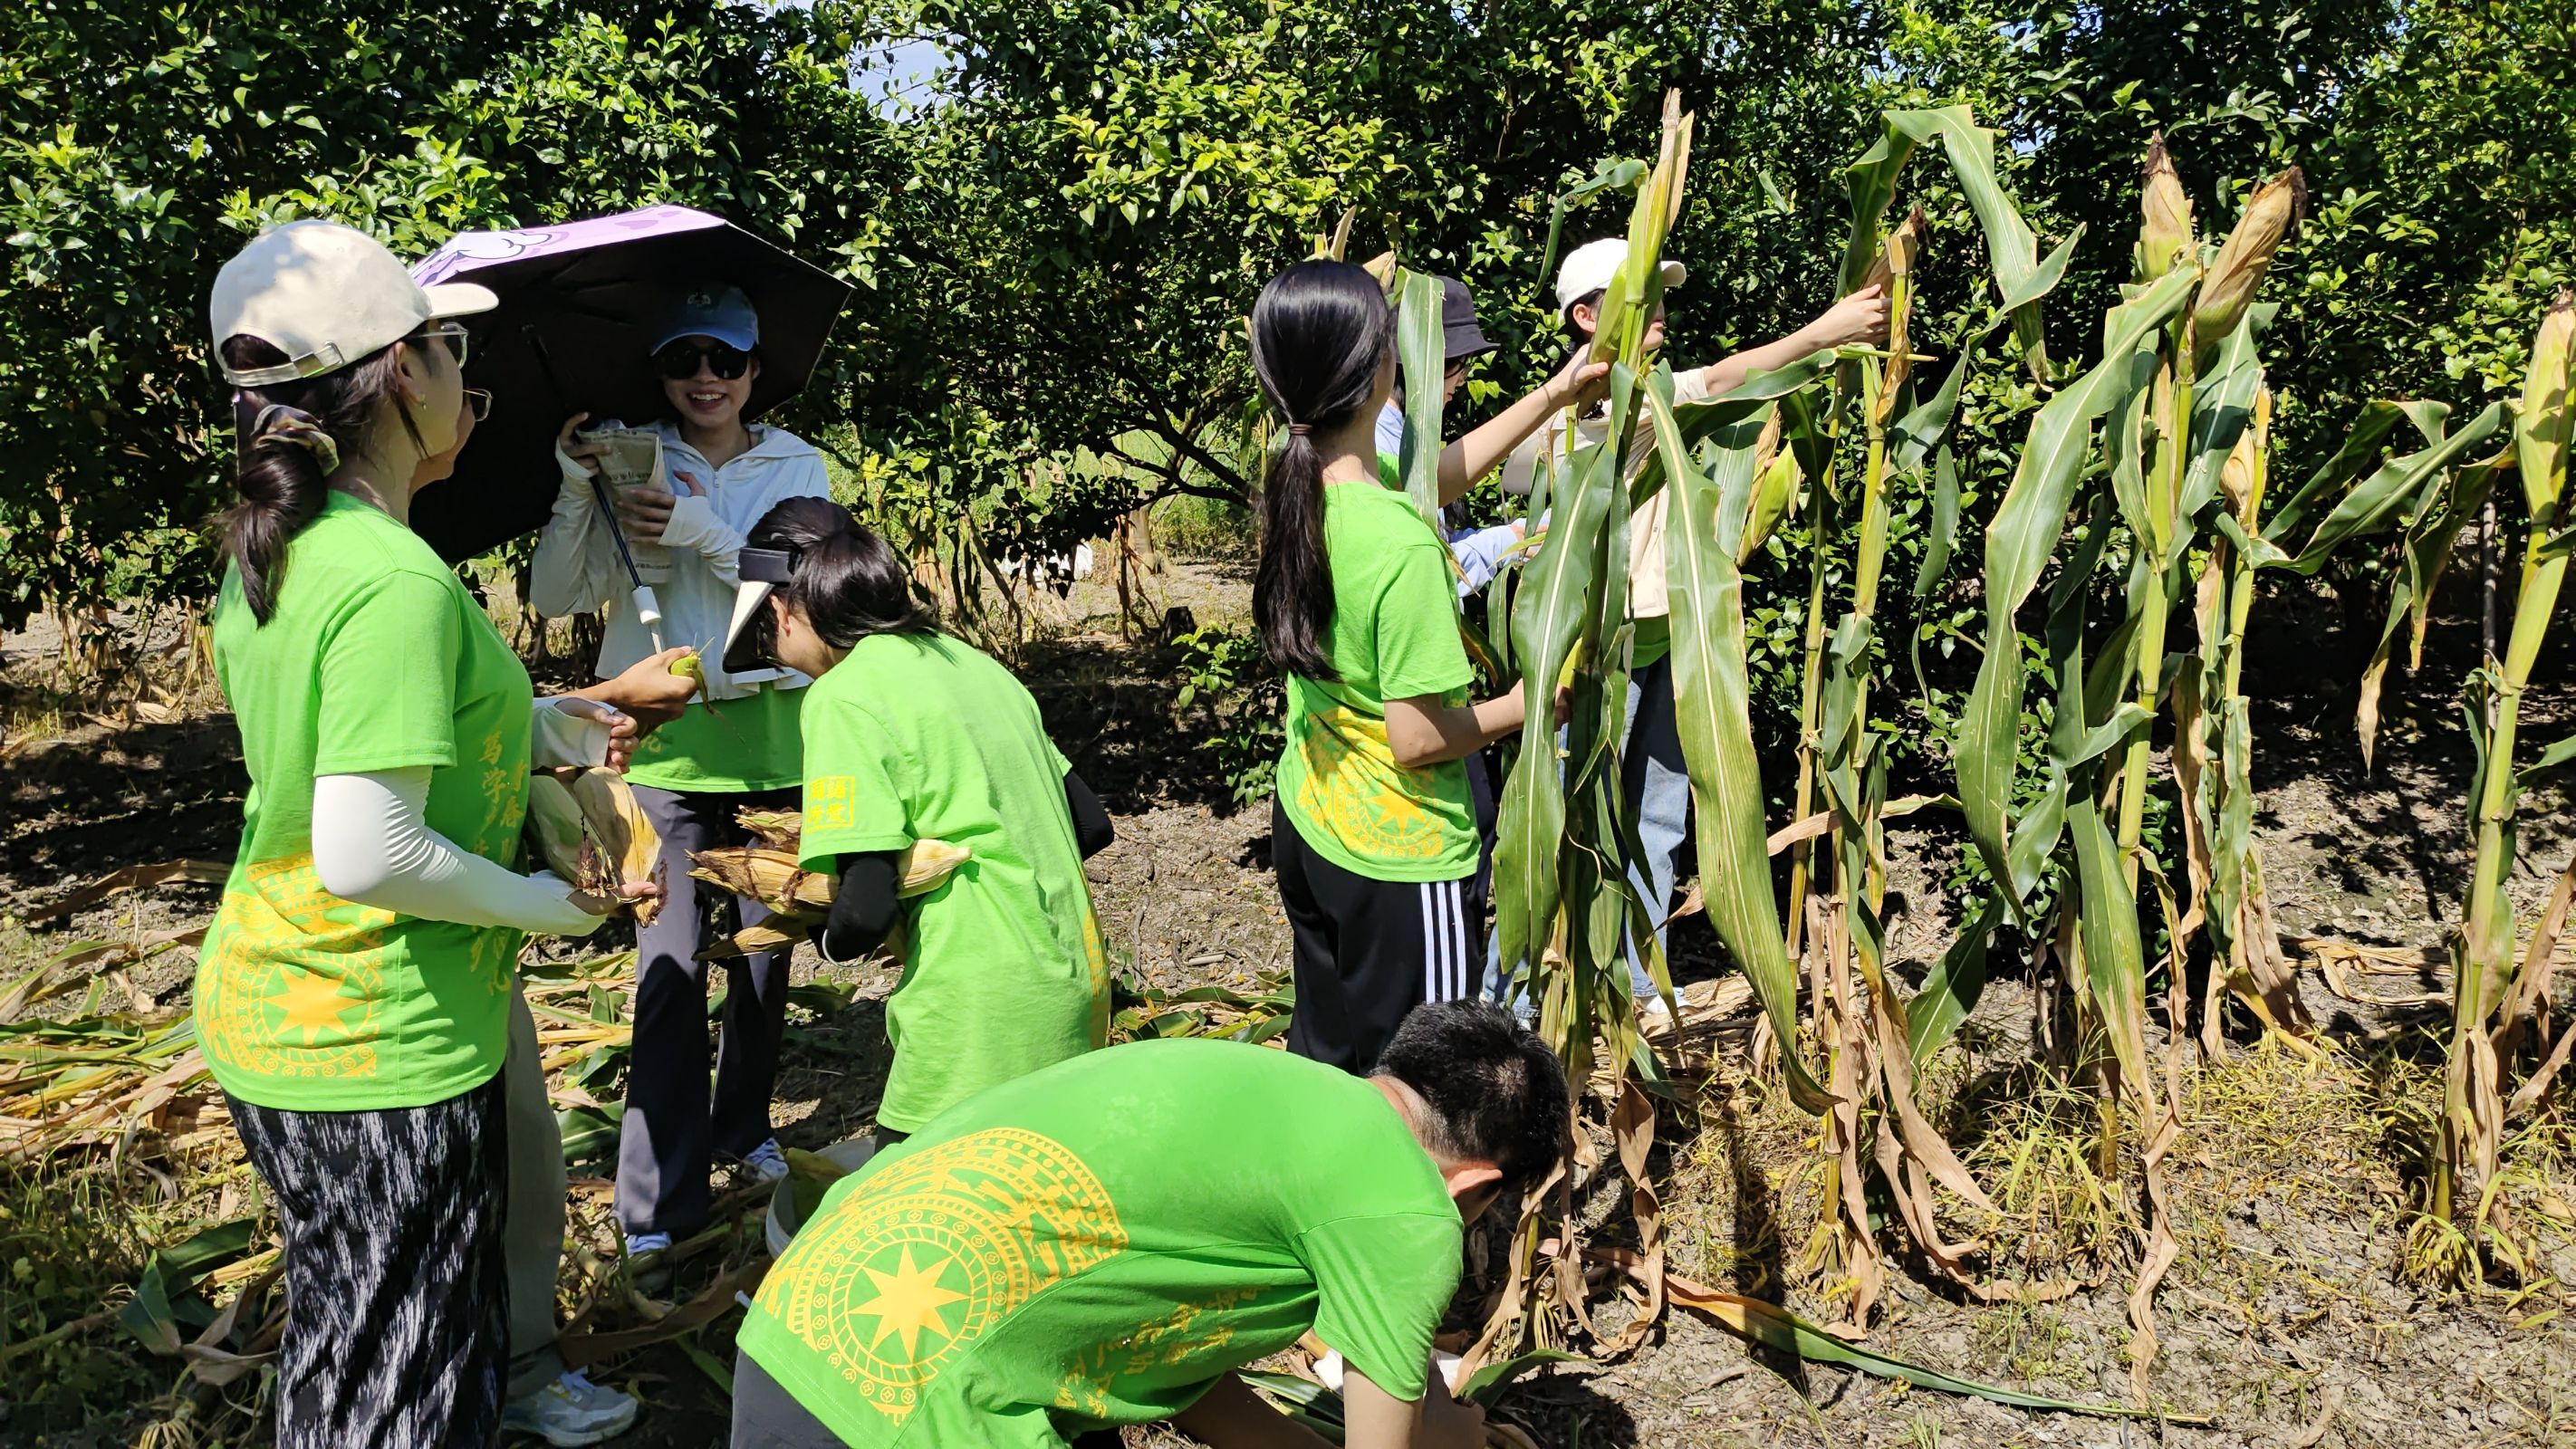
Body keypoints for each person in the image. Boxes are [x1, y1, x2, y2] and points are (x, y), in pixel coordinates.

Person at [196, 221, 692, 1447]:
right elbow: (368, 846)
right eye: (450, 345)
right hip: (372, 1035)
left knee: (373, 1348)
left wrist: (543, 720)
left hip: (307, 1010)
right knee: (394, 1397)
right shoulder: (392, 579)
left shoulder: (292, 549)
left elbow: (349, 742)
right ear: (399, 377)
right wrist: (559, 906)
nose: (470, 378)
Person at [727, 1000, 1571, 1449]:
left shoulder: (1280, 1105)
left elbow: (1175, 1364)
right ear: (1478, 1190)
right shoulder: (1408, 1209)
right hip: (913, 1400)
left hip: (804, 1326)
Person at [1493, 238, 1889, 1016]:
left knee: (1659, 820)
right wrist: (1824, 330)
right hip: (1592, 649)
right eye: (1643, 297)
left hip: (1672, 637)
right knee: (1563, 826)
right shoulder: (1592, 408)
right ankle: (1514, 1002)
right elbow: (1731, 376)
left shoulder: (1650, 392)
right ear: (1586, 316)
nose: (1663, 310)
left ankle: (1640, 993)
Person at [529, 283, 833, 1269]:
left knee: (762, 957)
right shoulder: (627, 456)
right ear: (659, 372)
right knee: (665, 970)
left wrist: (699, 529)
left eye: (725, 359)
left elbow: (795, 609)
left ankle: (741, 1128)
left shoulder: (797, 464)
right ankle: (656, 1201)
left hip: (777, 746)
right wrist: (583, 490)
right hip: (661, 750)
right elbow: (554, 593)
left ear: (754, 371)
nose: (705, 377)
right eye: (683, 359)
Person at [1251, 259, 1603, 1074]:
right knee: (1427, 1082)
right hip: (1401, 856)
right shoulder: (1405, 547)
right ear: (1383, 369)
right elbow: (1416, 738)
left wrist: (1557, 393)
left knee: (1332, 1058)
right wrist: (1531, 701)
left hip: (1314, 817)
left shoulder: (1298, 487)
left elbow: (1434, 477)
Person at [719, 496, 1115, 1146]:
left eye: (765, 629)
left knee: (919, 1217)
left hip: (974, 1012)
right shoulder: (974, 665)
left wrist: (831, 938)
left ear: (782, 608)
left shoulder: (843, 698)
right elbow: (1090, 823)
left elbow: (866, 903)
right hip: (1072, 983)